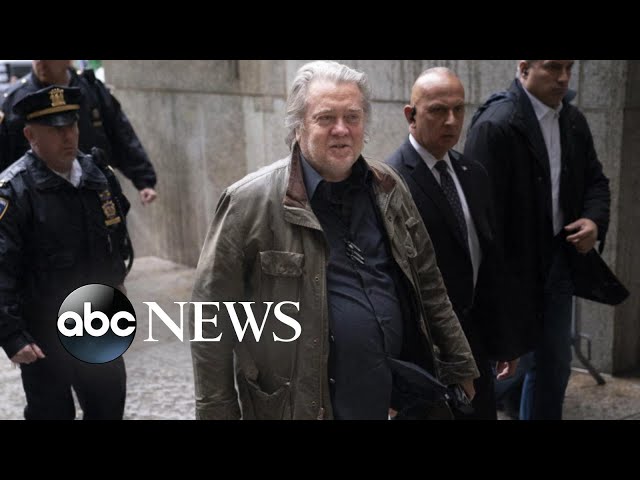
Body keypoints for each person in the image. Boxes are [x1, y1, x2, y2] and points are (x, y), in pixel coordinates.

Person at [189, 60, 479, 420]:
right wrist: (217, 412)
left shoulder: (388, 187)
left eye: (352, 117)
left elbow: (429, 283)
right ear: (298, 125)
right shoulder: (248, 202)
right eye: (326, 118)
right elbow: (211, 316)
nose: (341, 130)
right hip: (298, 407)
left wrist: (459, 363)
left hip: (393, 401)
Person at [464, 60, 612, 420]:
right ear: (524, 68)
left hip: (557, 261)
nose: (563, 77)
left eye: (569, 67)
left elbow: (596, 181)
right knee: (507, 368)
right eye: (552, 67)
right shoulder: (496, 124)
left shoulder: (572, 120)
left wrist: (593, 221)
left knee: (554, 363)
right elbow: (479, 214)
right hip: (511, 272)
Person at [385, 67, 521, 420]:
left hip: (476, 341)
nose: (451, 120)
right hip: (423, 348)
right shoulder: (390, 181)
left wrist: (504, 338)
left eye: (458, 109)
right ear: (410, 115)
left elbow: (488, 263)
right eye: (438, 110)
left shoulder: (472, 173)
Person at [0, 85, 132, 419]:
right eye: (54, 130)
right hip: (43, 326)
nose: (67, 137)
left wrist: (116, 280)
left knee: (108, 405)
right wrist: (12, 335)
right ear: (31, 135)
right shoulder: (14, 191)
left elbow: (116, 234)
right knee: (51, 412)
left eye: (71, 126)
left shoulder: (98, 175)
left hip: (96, 319)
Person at [0, 60, 157, 205]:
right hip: (40, 203)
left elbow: (120, 133)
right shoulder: (13, 100)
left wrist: (143, 179)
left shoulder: (91, 88)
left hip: (96, 190)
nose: (41, 64)